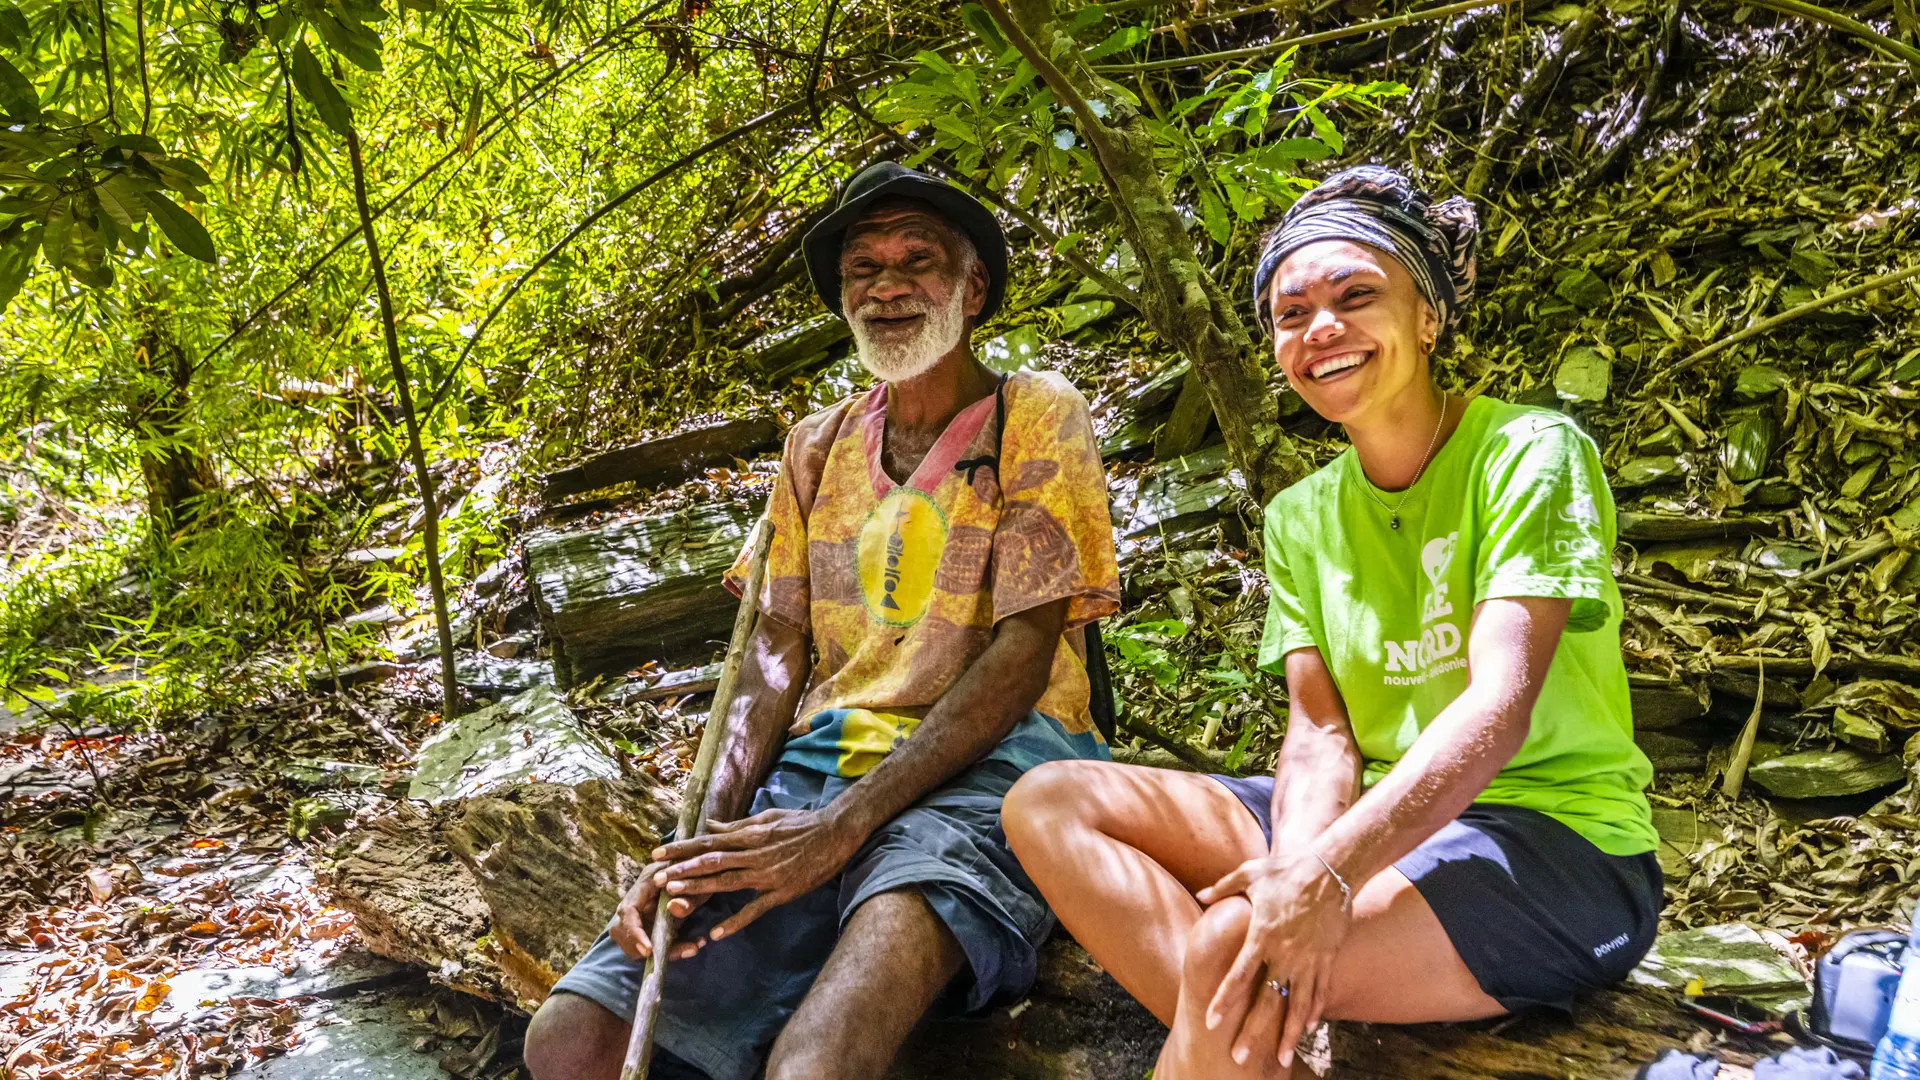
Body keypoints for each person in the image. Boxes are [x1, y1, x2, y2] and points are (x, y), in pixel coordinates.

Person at [1000, 165, 1662, 1078]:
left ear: (1427, 316)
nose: (1322, 329)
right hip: (1378, 819)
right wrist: (1298, 874)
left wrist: (1323, 878)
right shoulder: (1300, 516)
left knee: (1234, 945)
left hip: (1554, 840)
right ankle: (1267, 1055)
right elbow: (1319, 736)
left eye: (1358, 296)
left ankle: (1244, 1037)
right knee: (1049, 799)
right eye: (1292, 312)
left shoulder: (1527, 453)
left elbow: (1496, 706)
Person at [523, 161, 1122, 1080]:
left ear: (975, 287)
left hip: (1000, 765)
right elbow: (770, 654)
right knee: (572, 1041)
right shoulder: (818, 445)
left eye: (917, 260)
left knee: (815, 1061)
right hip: (828, 760)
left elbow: (1026, 648)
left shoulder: (1035, 414)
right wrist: (697, 845)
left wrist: (846, 828)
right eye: (862, 269)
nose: (886, 286)